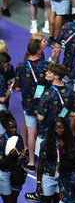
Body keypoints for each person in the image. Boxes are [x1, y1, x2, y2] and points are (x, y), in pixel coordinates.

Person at [15, 39, 49, 172]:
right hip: (43, 104)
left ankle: (31, 162)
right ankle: (44, 161)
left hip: (28, 105)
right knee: (44, 133)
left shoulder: (21, 66)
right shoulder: (46, 66)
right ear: (39, 50)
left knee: (31, 133)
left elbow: (17, 88)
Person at [35, 117, 75, 203]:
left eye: (62, 128)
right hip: (48, 178)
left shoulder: (68, 143)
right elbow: (40, 165)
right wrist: (38, 183)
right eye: (57, 128)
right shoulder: (45, 143)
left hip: (61, 179)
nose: (59, 130)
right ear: (53, 129)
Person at [37, 63, 75, 140]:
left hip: (47, 132)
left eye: (49, 72)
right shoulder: (71, 93)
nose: (46, 73)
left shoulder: (47, 94)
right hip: (63, 130)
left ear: (56, 77)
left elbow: (40, 117)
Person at [0, 111, 26, 203]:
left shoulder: (18, 138)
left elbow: (20, 154)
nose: (14, 130)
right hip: (4, 174)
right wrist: (10, 157)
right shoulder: (1, 141)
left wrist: (21, 158)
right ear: (5, 127)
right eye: (11, 128)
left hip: (16, 173)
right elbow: (1, 164)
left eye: (15, 127)